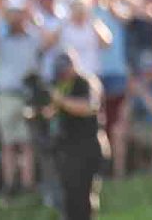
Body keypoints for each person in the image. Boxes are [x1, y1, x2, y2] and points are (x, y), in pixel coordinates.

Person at [0, 0, 42, 196]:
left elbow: (50, 39)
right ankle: (10, 185)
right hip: (5, 97)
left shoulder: (33, 38)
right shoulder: (0, 40)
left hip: (27, 97)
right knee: (8, 144)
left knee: (27, 144)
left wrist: (32, 16)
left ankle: (28, 185)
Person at [48, 51, 109, 220]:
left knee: (85, 198)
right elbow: (47, 111)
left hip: (88, 148)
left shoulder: (87, 82)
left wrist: (60, 100)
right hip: (66, 149)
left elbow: (89, 106)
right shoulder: (56, 84)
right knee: (67, 199)